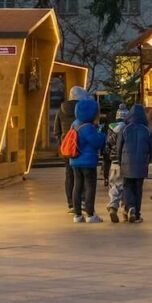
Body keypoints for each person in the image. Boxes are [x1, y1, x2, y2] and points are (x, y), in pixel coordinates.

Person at [55, 85, 91, 213]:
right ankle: (81, 201)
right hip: (81, 145)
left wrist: (63, 142)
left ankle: (71, 203)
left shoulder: (61, 109)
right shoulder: (84, 108)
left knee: (69, 175)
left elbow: (57, 130)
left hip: (67, 148)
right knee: (82, 175)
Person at [69, 97, 106, 223]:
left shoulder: (75, 124)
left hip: (75, 160)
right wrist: (102, 134)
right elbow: (97, 142)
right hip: (88, 161)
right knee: (90, 186)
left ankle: (77, 215)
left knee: (77, 186)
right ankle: (90, 214)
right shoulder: (88, 127)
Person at [118, 103, 152, 222]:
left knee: (127, 186)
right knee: (138, 188)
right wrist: (148, 161)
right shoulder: (147, 130)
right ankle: (136, 213)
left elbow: (119, 147)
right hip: (141, 163)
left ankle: (130, 207)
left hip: (126, 162)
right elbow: (151, 148)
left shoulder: (125, 129)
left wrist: (120, 160)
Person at [105, 104, 129, 222]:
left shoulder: (111, 128)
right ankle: (126, 209)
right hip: (126, 161)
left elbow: (107, 145)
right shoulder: (128, 128)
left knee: (114, 184)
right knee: (126, 186)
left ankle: (113, 205)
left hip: (114, 161)